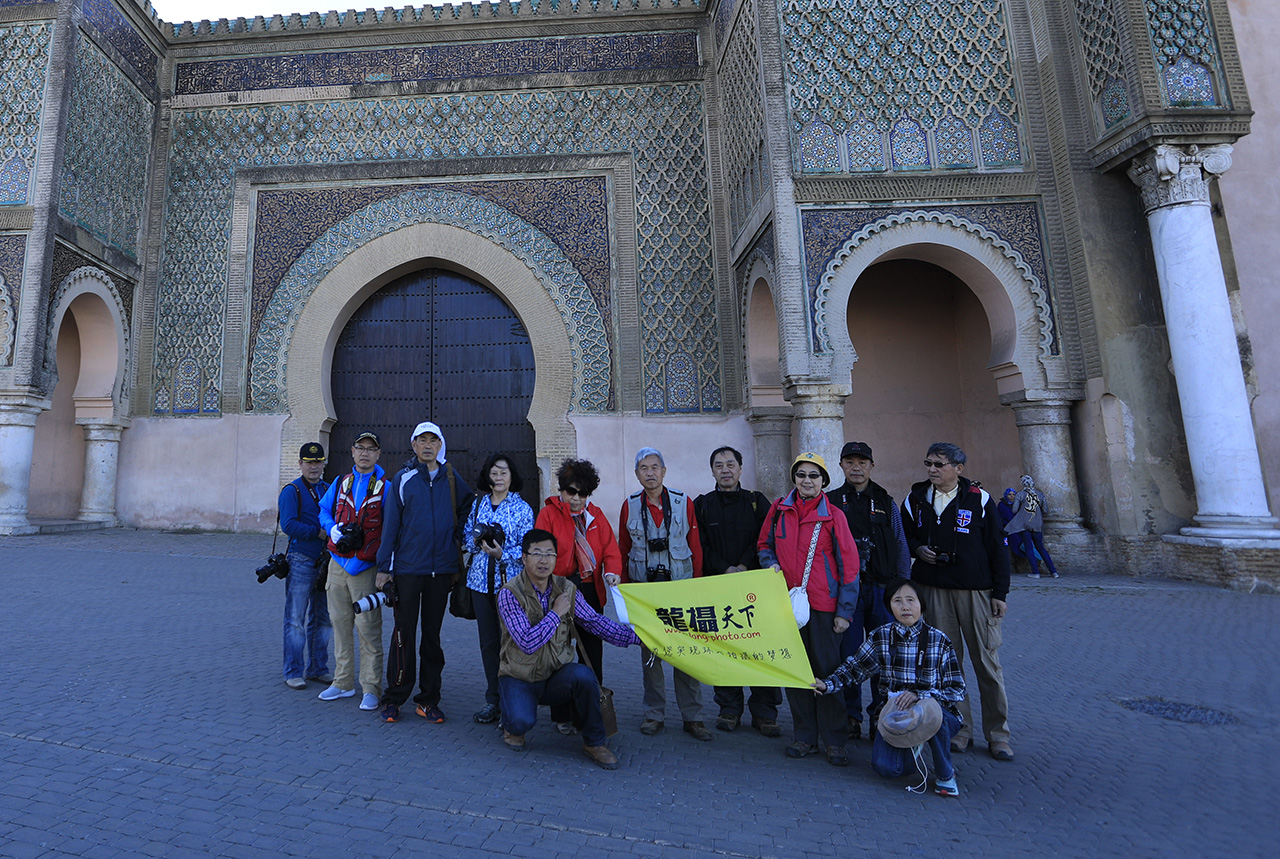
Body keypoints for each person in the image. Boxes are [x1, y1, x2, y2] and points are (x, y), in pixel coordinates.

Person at [901, 442, 1014, 762]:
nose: (932, 470)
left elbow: (997, 548)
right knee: (948, 666)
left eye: (939, 464)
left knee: (987, 664)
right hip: (933, 590)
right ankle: (960, 728)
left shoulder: (980, 500)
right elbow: (904, 535)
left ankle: (998, 734)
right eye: (929, 464)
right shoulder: (915, 498)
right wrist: (917, 549)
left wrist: (1000, 594)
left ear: (958, 469)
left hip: (975, 592)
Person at [497, 529, 640, 770]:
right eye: (537, 554)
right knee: (520, 723)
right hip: (519, 676)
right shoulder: (510, 594)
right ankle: (511, 722)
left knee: (584, 676)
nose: (544, 560)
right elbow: (527, 642)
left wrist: (637, 638)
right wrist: (556, 614)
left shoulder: (566, 589)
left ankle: (595, 742)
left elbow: (595, 623)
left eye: (550, 554)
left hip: (555, 675)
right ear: (524, 558)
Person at [812, 578, 966, 797]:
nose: (905, 606)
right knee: (888, 768)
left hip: (939, 715)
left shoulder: (939, 640)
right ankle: (914, 747)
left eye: (911, 600)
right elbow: (854, 668)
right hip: (895, 716)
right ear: (889, 607)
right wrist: (827, 684)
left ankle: (945, 775)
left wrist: (919, 695)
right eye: (897, 601)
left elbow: (957, 689)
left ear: (921, 604)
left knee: (935, 716)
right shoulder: (881, 636)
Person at [757, 452, 860, 766]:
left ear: (823, 481)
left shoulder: (834, 516)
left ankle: (834, 739)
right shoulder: (779, 510)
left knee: (826, 673)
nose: (806, 481)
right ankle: (804, 736)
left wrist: (844, 611)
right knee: (796, 671)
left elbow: (850, 567)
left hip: (824, 606)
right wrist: (771, 564)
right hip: (787, 605)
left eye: (813, 476)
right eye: (801, 475)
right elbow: (764, 546)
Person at [376, 421, 475, 724]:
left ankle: (428, 699)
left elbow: (469, 505)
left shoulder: (450, 476)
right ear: (414, 445)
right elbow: (391, 525)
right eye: (423, 440)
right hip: (407, 570)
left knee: (432, 636)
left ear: (440, 444)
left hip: (440, 571)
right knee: (403, 633)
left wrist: (455, 537)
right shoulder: (403, 480)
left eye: (434, 440)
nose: (428, 445)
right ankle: (394, 697)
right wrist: (384, 568)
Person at [617, 447, 710, 742]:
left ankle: (692, 716)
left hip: (681, 589)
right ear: (636, 474)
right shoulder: (629, 506)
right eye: (643, 468)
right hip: (646, 592)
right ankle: (654, 714)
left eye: (655, 467)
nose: (650, 473)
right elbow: (622, 548)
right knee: (651, 655)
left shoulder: (684, 503)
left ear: (664, 471)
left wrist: (697, 587)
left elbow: (695, 545)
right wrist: (625, 591)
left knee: (686, 653)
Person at [692, 445, 781, 737]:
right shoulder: (702, 505)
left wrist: (744, 565)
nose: (725, 470)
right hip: (718, 588)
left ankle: (765, 712)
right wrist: (724, 569)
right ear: (712, 471)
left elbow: (766, 538)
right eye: (719, 465)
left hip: (755, 590)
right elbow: (700, 545)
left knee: (760, 649)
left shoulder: (756, 502)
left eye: (731, 464)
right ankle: (729, 709)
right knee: (725, 648)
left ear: (741, 469)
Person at [826, 441, 912, 741]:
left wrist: (903, 588)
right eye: (850, 462)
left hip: (882, 591)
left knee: (883, 657)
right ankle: (851, 716)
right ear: (841, 466)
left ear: (872, 466)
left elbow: (901, 544)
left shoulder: (887, 502)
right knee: (849, 656)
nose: (856, 467)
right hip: (848, 594)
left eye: (862, 461)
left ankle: (880, 714)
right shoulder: (832, 502)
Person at [535, 458, 623, 734]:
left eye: (581, 493)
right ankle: (561, 714)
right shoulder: (548, 514)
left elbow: (610, 548)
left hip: (589, 589)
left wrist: (613, 572)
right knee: (559, 653)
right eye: (570, 491)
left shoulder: (595, 516)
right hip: (558, 589)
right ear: (561, 490)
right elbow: (541, 551)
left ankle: (590, 709)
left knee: (591, 652)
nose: (575, 498)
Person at [461, 453, 534, 725]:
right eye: (494, 473)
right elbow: (468, 533)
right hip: (480, 583)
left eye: (504, 472)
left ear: (512, 476)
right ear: (487, 477)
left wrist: (503, 552)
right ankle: (493, 699)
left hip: (510, 585)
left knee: (511, 642)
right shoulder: (479, 504)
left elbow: (528, 546)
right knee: (488, 643)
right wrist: (476, 543)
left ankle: (512, 702)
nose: (499, 478)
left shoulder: (522, 508)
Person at [317, 432, 387, 711]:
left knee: (368, 629)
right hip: (338, 564)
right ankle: (342, 682)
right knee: (340, 625)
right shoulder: (340, 482)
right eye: (360, 448)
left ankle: (371, 687)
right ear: (352, 451)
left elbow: (391, 526)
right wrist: (332, 528)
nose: (365, 453)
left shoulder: (385, 487)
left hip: (365, 567)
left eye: (371, 449)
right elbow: (323, 511)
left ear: (378, 454)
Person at [277, 442, 333, 690]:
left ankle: (318, 668)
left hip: (325, 563)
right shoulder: (292, 491)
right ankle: (293, 670)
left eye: (318, 462)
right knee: (295, 619)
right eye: (309, 462)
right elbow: (288, 525)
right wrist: (318, 533)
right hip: (300, 560)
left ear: (323, 463)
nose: (314, 467)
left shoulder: (328, 488)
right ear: (300, 464)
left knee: (323, 619)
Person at [1005, 474, 1060, 579]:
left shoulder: (1020, 495)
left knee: (1029, 548)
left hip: (1025, 525)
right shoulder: (1040, 494)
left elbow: (1014, 510)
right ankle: (1053, 572)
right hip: (1037, 524)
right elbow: (1045, 510)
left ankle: (1035, 572)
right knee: (1041, 548)